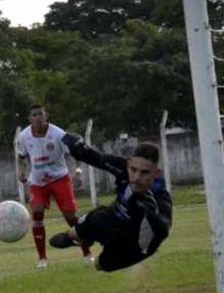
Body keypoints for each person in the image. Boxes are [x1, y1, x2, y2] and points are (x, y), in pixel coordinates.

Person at [49, 134, 173, 272]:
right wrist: (79, 150)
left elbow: (163, 230)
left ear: (156, 173)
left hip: (135, 245)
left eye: (145, 173)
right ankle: (77, 238)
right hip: (112, 219)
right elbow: (96, 158)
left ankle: (98, 252)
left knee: (100, 265)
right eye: (133, 170)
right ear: (128, 165)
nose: (137, 178)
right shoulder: (122, 168)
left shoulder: (160, 198)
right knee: (94, 219)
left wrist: (154, 216)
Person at [16, 104, 92, 269]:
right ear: (30, 119)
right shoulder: (24, 136)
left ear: (46, 116)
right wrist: (21, 171)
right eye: (34, 115)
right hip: (37, 182)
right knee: (36, 214)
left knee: (71, 217)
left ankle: (87, 253)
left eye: (40, 114)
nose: (37, 118)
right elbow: (21, 157)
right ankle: (42, 259)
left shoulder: (58, 134)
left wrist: (78, 172)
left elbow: (76, 152)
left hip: (59, 179)